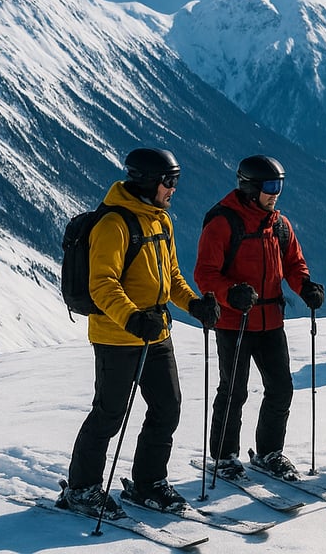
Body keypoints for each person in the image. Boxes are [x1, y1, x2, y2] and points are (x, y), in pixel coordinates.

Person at [60, 148, 221, 517]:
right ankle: (82, 489)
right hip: (116, 336)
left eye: (176, 180)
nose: (173, 188)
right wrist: (132, 319)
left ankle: (149, 482)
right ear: (148, 182)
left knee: (168, 407)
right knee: (108, 415)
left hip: (156, 333)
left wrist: (194, 304)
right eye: (169, 181)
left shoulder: (161, 221)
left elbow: (172, 277)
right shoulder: (113, 224)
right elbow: (103, 284)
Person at [194, 154, 325, 480]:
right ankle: (224, 457)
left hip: (271, 322)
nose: (276, 193)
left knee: (281, 389)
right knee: (234, 391)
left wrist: (306, 287)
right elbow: (205, 274)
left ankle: (269, 452)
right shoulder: (223, 222)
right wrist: (231, 293)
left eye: (279, 185)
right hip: (234, 323)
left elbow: (294, 264)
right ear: (251, 187)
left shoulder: (279, 225)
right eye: (270, 186)